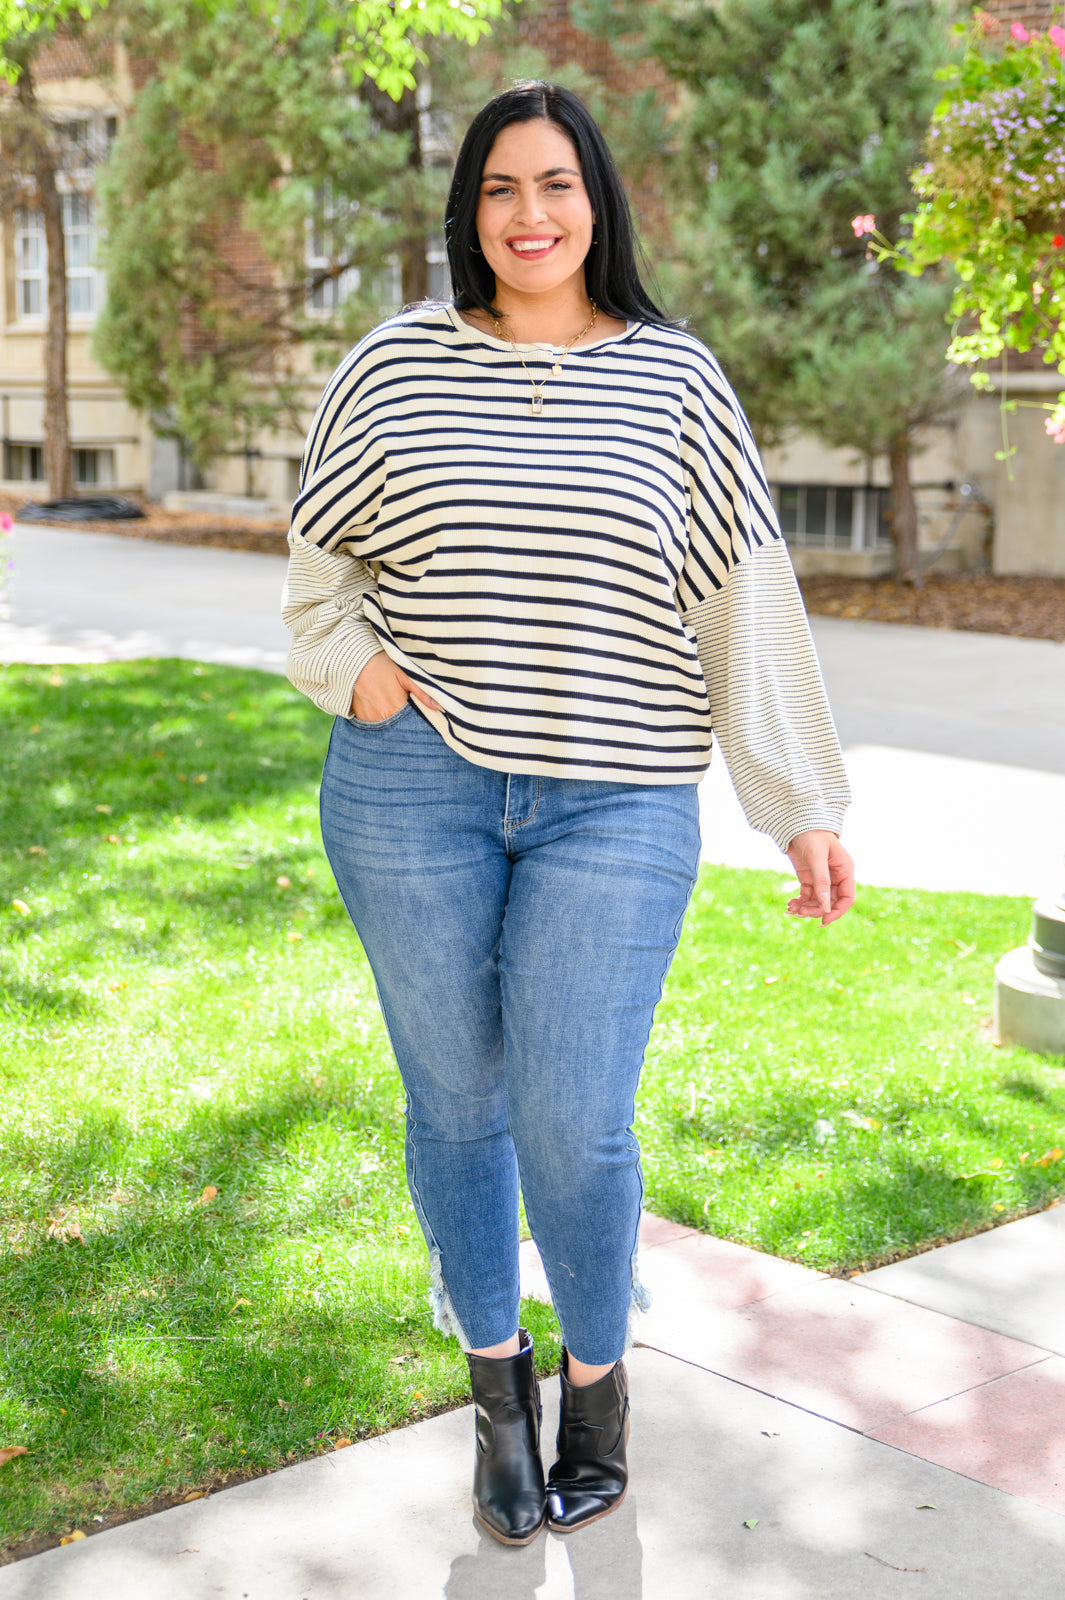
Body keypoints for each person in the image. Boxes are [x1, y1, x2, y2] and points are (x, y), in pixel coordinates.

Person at [282, 81, 855, 1547]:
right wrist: (359, 677)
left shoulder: (675, 380)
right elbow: (315, 567)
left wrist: (798, 802)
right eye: (498, 188)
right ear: (466, 210)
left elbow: (742, 598)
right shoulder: (394, 364)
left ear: (597, 203)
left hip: (617, 799)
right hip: (413, 786)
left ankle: (596, 1387)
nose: (527, 215)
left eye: (555, 185)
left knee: (575, 1120)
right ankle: (497, 1394)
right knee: (453, 1103)